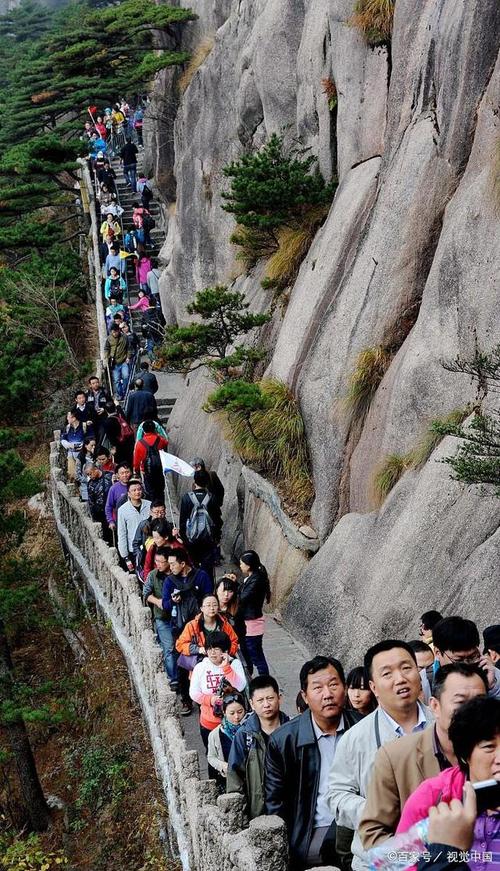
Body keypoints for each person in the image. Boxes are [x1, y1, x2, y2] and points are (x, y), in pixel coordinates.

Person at [327, 640, 434, 871]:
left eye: (406, 668)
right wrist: (375, 811)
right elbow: (335, 796)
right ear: (374, 688)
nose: (400, 679)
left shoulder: (444, 726)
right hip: (379, 860)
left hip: (440, 855)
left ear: (418, 673)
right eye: (387, 673)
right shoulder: (355, 738)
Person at [359, 663, 489, 850]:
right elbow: (374, 834)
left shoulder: (494, 757)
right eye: (460, 702)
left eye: (479, 702)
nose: (472, 711)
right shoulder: (394, 757)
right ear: (435, 706)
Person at [265, 656, 362, 870]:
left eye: (334, 685)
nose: (327, 694)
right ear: (305, 696)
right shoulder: (284, 740)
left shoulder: (363, 728)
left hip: (360, 825)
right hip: (311, 832)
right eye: (317, 688)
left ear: (344, 689)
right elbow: (274, 803)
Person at [396, 695, 500, 866]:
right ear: (466, 755)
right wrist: (446, 848)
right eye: (489, 747)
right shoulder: (433, 795)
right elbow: (400, 861)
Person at [227, 675, 289, 819]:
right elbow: (234, 777)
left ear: (279, 698)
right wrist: (240, 817)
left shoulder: (293, 731)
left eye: (270, 698)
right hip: (258, 815)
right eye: (260, 700)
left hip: (292, 813)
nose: (266, 704)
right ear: (252, 703)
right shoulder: (244, 736)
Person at [161, 549, 214, 714]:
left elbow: (210, 598)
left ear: (183, 563)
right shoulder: (170, 581)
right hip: (180, 628)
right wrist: (173, 601)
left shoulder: (201, 576)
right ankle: (186, 699)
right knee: (182, 664)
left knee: (204, 662)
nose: (170, 567)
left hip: (202, 626)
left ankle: (204, 698)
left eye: (173, 564)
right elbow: (165, 605)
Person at [189, 631, 246, 752]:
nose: (212, 652)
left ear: (224, 650)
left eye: (216, 648)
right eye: (209, 648)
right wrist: (210, 700)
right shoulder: (200, 667)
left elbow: (240, 686)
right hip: (209, 721)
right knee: (212, 754)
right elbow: (193, 692)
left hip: (234, 720)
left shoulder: (234, 664)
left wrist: (226, 668)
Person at [421, 617, 500, 703]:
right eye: (459, 660)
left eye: (472, 657)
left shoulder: (489, 672)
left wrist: (492, 687)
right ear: (438, 652)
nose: (466, 665)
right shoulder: (424, 685)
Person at [143, 548, 178, 688]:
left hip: (179, 617)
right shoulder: (153, 575)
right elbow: (146, 593)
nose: (157, 564)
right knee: (168, 648)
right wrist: (158, 602)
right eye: (156, 561)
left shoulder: (177, 575)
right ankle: (173, 679)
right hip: (162, 617)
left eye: (161, 561)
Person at [179, 470, 222, 575]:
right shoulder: (212, 498)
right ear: (207, 482)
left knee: (193, 567)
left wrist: (184, 538)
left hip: (191, 540)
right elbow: (217, 520)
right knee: (207, 568)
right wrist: (216, 537)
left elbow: (182, 521)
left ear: (194, 482)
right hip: (208, 540)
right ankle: (208, 589)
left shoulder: (186, 498)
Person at [237, 550, 271, 677]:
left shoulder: (256, 580)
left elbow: (243, 597)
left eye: (242, 564)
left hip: (252, 622)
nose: (240, 566)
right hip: (248, 621)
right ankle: (251, 677)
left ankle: (265, 679)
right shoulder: (252, 577)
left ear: (248, 565)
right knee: (250, 653)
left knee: (256, 655)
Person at [207, 692, 247, 790]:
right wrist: (223, 765)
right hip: (229, 780)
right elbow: (211, 757)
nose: (237, 717)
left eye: (240, 711)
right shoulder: (215, 734)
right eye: (232, 713)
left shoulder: (251, 729)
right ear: (224, 712)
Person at [116, 479, 151, 571]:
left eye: (139, 489)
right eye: (134, 490)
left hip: (149, 546)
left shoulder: (149, 505)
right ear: (128, 493)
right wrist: (125, 556)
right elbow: (122, 533)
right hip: (133, 549)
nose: (137, 492)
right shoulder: (122, 510)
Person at [132, 418, 168, 500]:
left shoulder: (140, 443)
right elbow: (166, 442)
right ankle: (161, 505)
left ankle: (153, 507)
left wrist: (137, 472)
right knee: (160, 490)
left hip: (147, 470)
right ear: (154, 429)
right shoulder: (160, 440)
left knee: (150, 491)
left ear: (143, 430)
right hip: (159, 468)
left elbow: (136, 461)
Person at [131, 500, 167, 571]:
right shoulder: (144, 525)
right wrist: (140, 555)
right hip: (146, 560)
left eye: (162, 512)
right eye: (156, 512)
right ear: (151, 512)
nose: (159, 515)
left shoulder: (167, 526)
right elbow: (136, 544)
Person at [85, 462, 113, 543]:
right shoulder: (90, 484)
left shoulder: (109, 476)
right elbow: (91, 502)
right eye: (88, 475)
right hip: (100, 513)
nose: (90, 476)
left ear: (95, 469)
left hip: (111, 510)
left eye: (90, 474)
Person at [104, 325, 130, 401]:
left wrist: (128, 357)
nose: (114, 333)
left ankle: (125, 392)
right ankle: (120, 394)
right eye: (113, 332)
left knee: (126, 376)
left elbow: (128, 348)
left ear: (119, 330)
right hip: (114, 363)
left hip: (123, 361)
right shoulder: (109, 339)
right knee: (116, 380)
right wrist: (107, 356)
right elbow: (106, 348)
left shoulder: (124, 337)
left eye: (116, 331)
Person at [104, 462, 132, 532]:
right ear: (117, 475)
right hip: (120, 520)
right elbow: (108, 506)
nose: (125, 475)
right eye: (122, 473)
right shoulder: (113, 488)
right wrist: (111, 521)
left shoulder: (136, 486)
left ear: (131, 472)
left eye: (127, 472)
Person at [61, 411, 87, 480]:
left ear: (74, 418)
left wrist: (83, 444)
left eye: (68, 417)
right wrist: (69, 445)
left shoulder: (84, 426)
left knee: (83, 473)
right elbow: (63, 439)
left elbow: (90, 438)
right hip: (71, 453)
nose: (67, 419)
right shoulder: (67, 427)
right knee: (71, 474)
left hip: (82, 454)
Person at [75, 436, 96, 500]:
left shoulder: (96, 456)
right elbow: (77, 475)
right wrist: (87, 480)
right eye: (92, 445)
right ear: (86, 445)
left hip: (96, 486)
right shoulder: (80, 458)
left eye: (94, 445)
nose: (93, 447)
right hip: (85, 487)